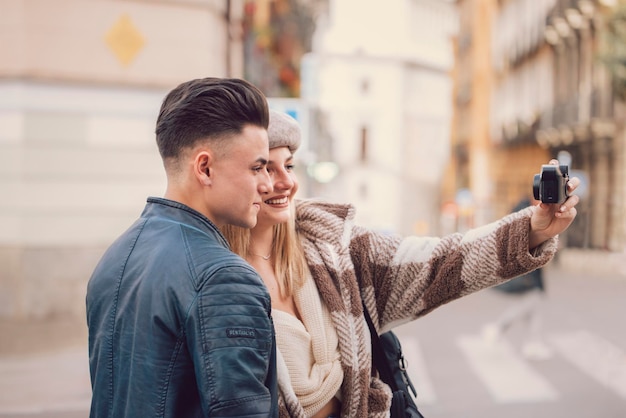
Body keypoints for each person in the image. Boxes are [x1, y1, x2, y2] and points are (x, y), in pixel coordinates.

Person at [221, 110, 581, 418]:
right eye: (266, 167)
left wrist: (531, 229)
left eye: (289, 165)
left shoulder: (335, 247)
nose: (286, 181)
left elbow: (441, 263)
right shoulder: (209, 276)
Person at [86, 77, 279, 417]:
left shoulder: (116, 256)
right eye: (257, 167)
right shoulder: (225, 279)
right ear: (204, 168)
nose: (267, 184)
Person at [482, 196, 553, 360]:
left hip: (532, 271)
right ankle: (498, 328)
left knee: (533, 307)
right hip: (524, 271)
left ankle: (532, 342)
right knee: (531, 302)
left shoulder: (534, 212)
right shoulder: (522, 213)